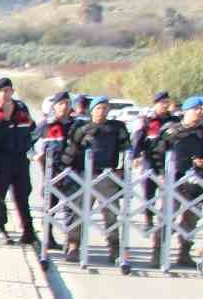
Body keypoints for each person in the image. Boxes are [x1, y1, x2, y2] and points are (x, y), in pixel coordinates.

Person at [65, 96, 132, 262]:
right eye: (99, 108)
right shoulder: (81, 127)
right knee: (79, 212)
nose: (102, 111)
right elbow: (71, 150)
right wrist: (64, 172)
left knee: (111, 215)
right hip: (84, 175)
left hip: (108, 176)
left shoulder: (117, 128)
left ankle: (114, 248)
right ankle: (73, 246)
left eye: (105, 108)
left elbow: (127, 151)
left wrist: (121, 170)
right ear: (92, 110)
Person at [0, 77, 38, 246]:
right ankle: (0, 228)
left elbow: (31, 128)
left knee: (22, 195)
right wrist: (6, 117)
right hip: (2, 158)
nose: (7, 94)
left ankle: (28, 232)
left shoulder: (22, 107)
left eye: (9, 91)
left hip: (20, 158)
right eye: (3, 91)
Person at [157, 95, 203, 268]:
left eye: (201, 109)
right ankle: (158, 254)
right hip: (173, 180)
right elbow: (157, 154)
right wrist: (160, 173)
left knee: (190, 221)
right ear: (186, 110)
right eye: (196, 109)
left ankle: (184, 253)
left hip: (197, 182)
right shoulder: (171, 130)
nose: (199, 112)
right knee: (166, 218)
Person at [35, 91, 79, 252]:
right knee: (49, 208)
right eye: (61, 104)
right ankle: (47, 240)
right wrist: (35, 156)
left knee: (71, 209)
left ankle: (71, 242)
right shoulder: (46, 125)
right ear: (54, 106)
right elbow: (28, 143)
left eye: (67, 103)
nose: (64, 107)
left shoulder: (77, 125)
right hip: (52, 172)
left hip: (73, 173)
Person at [133, 91, 180, 232]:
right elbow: (138, 138)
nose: (165, 105)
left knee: (170, 193)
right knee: (149, 192)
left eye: (167, 102)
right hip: (151, 160)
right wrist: (136, 156)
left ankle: (167, 220)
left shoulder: (175, 121)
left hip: (170, 160)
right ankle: (149, 219)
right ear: (156, 104)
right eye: (162, 103)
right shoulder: (148, 120)